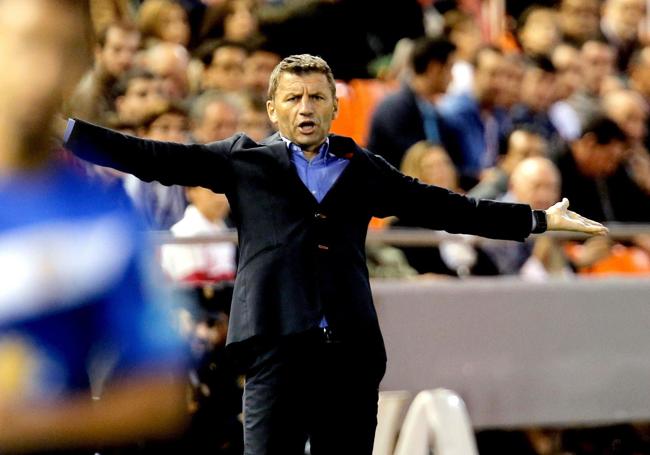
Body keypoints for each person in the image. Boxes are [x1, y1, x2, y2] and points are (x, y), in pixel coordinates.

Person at [62, 53, 607, 455]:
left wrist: (537, 219)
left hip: (350, 351)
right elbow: (150, 156)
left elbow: (448, 208)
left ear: (334, 107)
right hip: (272, 343)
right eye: (294, 98)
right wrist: (64, 132)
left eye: (317, 97)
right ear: (272, 109)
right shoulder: (242, 161)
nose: (306, 107)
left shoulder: (363, 168)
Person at [0, 0, 187, 453]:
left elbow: (160, 393)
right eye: (28, 45)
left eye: (64, 52)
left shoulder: (103, 217)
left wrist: (30, 427)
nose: (45, 73)